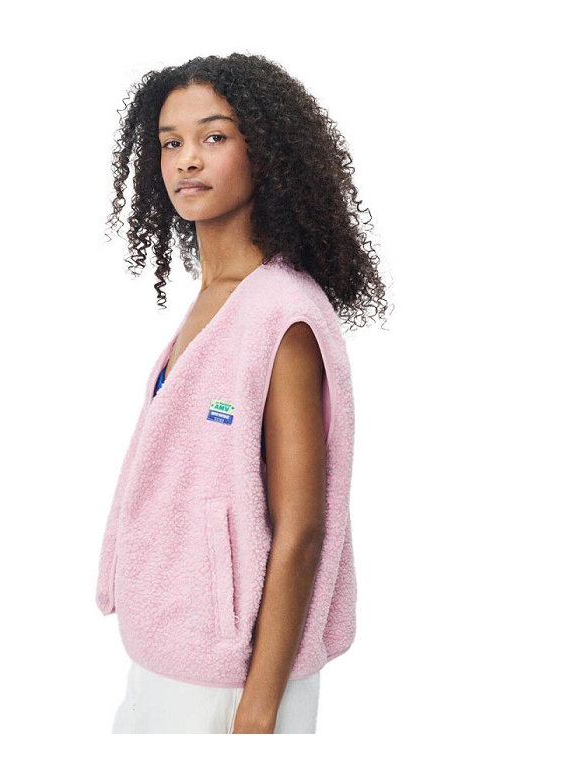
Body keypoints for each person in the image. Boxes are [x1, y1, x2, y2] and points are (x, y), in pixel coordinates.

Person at [96, 52, 389, 734]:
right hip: (166, 656)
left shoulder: (281, 314)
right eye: (171, 142)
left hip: (235, 684)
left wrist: (258, 712)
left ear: (266, 151)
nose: (187, 160)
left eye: (214, 136)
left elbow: (303, 527)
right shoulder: (217, 299)